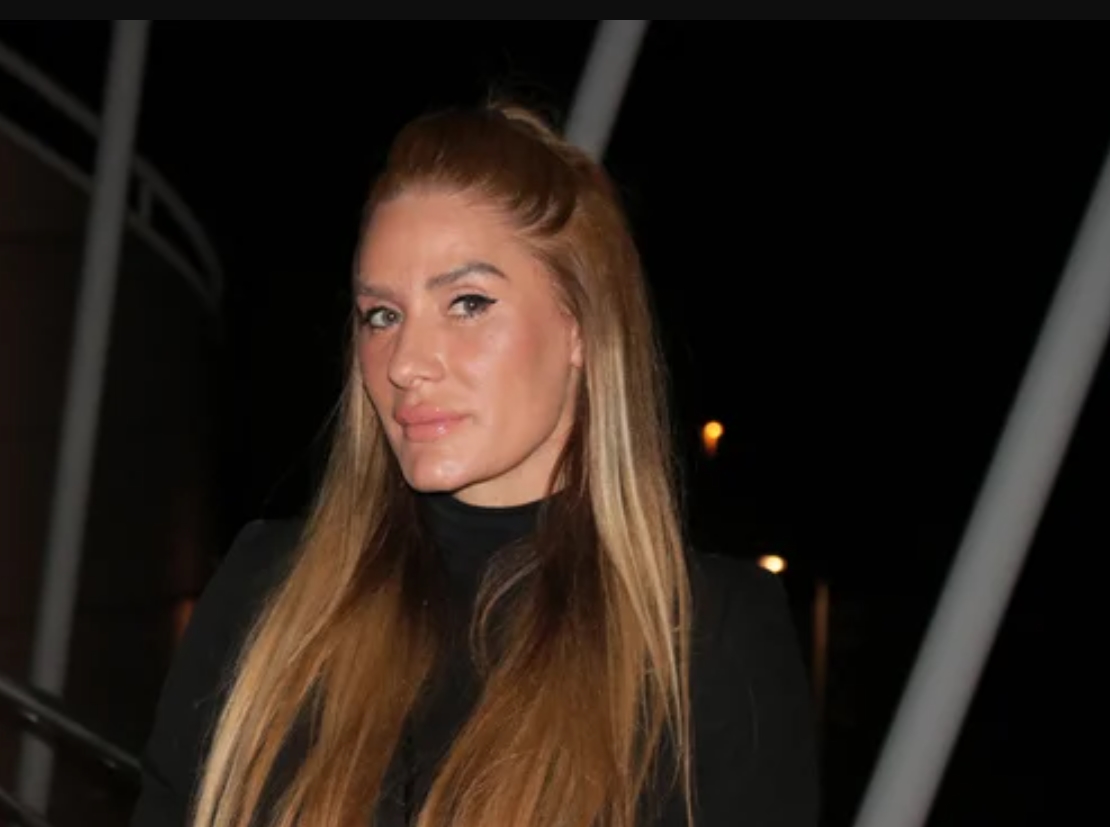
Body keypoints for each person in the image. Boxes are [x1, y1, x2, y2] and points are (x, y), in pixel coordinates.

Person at [130, 102, 818, 827]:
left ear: (581, 328)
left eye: (467, 303)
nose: (406, 363)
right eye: (382, 315)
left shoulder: (704, 640)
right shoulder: (269, 590)